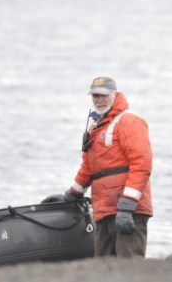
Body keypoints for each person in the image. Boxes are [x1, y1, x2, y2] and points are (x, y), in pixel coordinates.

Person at [64, 76, 153, 258]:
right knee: (102, 268)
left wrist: (127, 206)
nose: (99, 100)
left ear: (115, 94)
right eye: (95, 96)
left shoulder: (129, 121)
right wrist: (75, 192)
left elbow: (142, 164)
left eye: (103, 95)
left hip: (128, 210)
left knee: (129, 266)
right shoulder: (96, 127)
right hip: (103, 210)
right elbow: (89, 167)